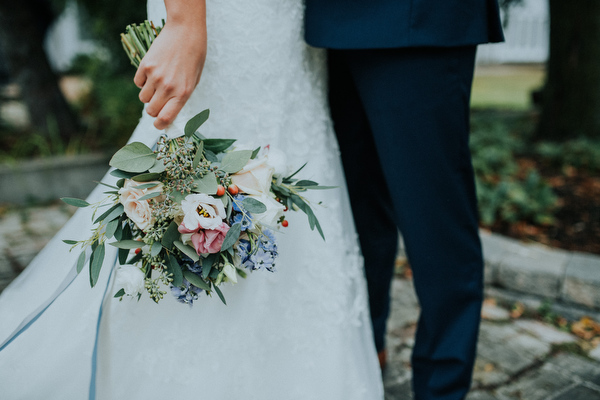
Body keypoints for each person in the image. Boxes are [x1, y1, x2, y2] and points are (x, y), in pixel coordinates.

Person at [0, 0, 384, 398]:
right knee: (195, 160)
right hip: (221, 18)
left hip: (283, 26)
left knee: (283, 156)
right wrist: (185, 22)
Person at [304, 1, 504, 399]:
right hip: (328, 24)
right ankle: (366, 350)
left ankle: (441, 387)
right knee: (355, 209)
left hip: (419, 19)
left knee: (434, 222)